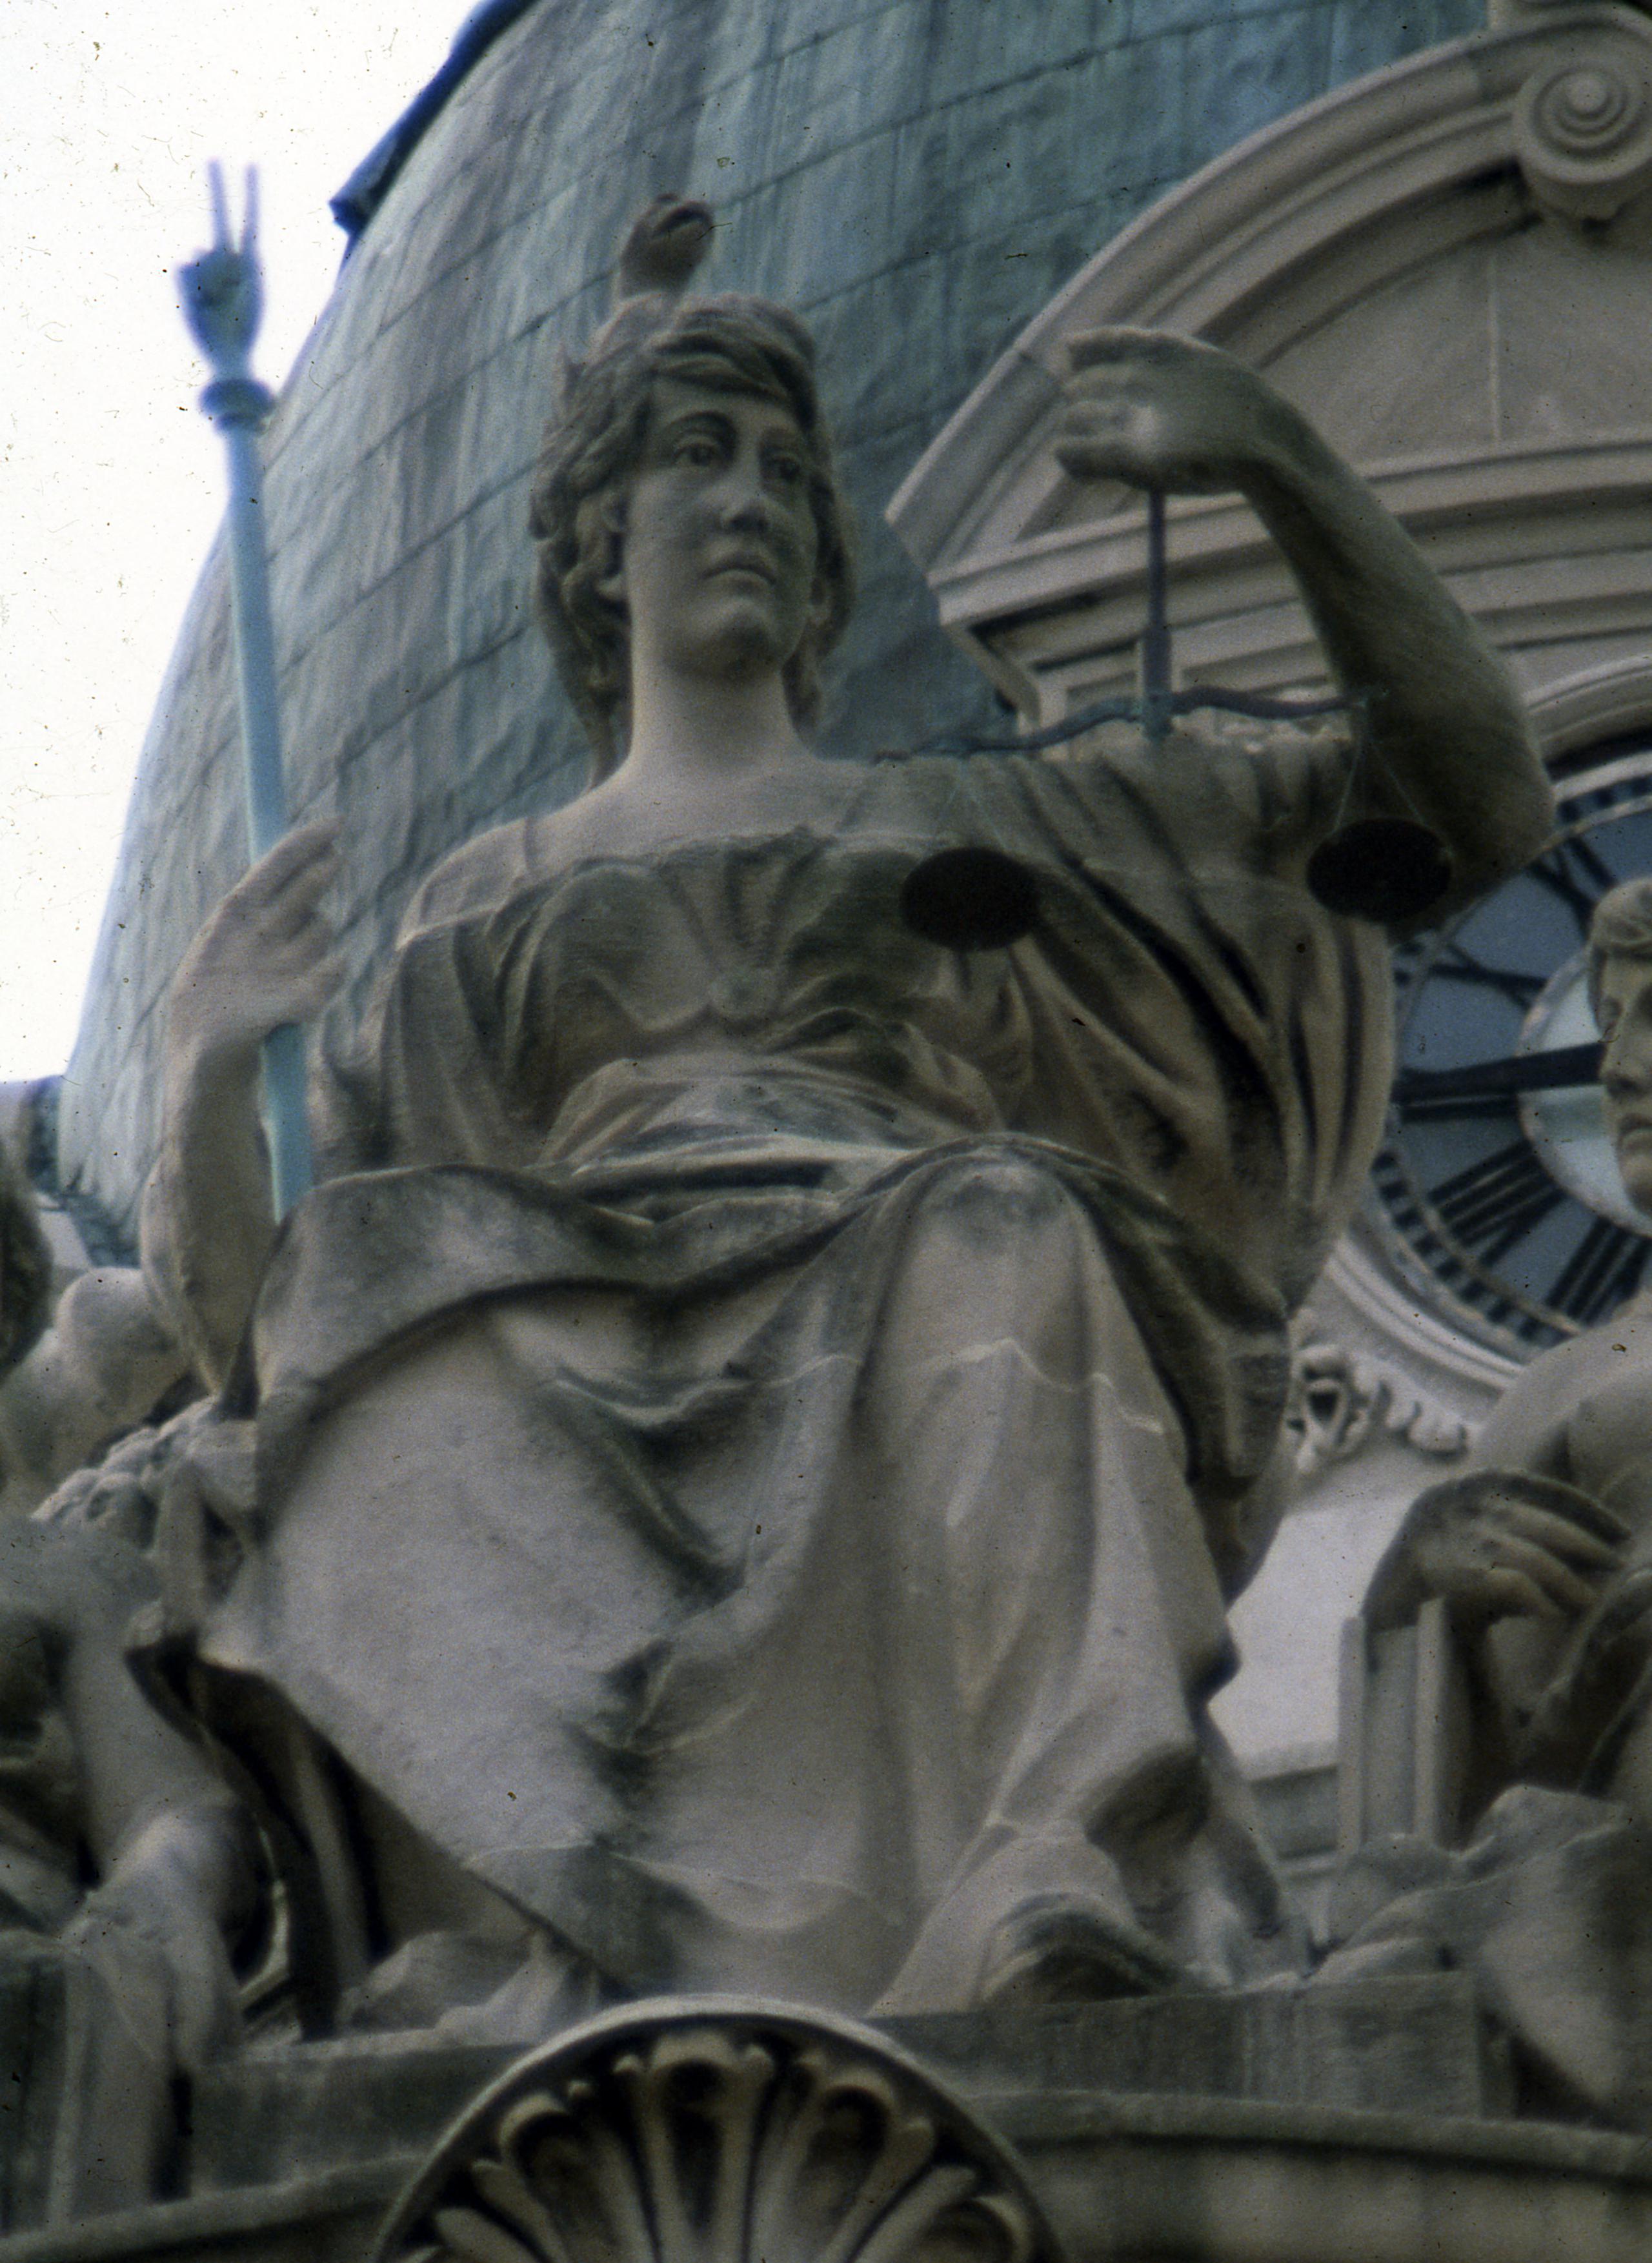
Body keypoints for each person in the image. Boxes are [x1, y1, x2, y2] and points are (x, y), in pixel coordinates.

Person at [133, 204, 1552, 2034]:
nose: (749, 500)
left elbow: (1472, 796)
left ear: (822, 562)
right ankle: (544, 1927)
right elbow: (256, 1342)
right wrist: (202, 1064)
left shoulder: (974, 827)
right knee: (379, 1314)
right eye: (696, 455)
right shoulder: (478, 906)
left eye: (786, 472)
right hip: (571, 1311)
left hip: (907, 1248)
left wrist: (1280, 463)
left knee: (999, 1227)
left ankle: (1049, 1854)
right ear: (596, 544)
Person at [1364, 876, 1652, 1822]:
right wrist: (1415, 1593)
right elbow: (1489, 1802)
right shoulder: (1574, 1386)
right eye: (1612, 1027)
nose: (1617, 1069)